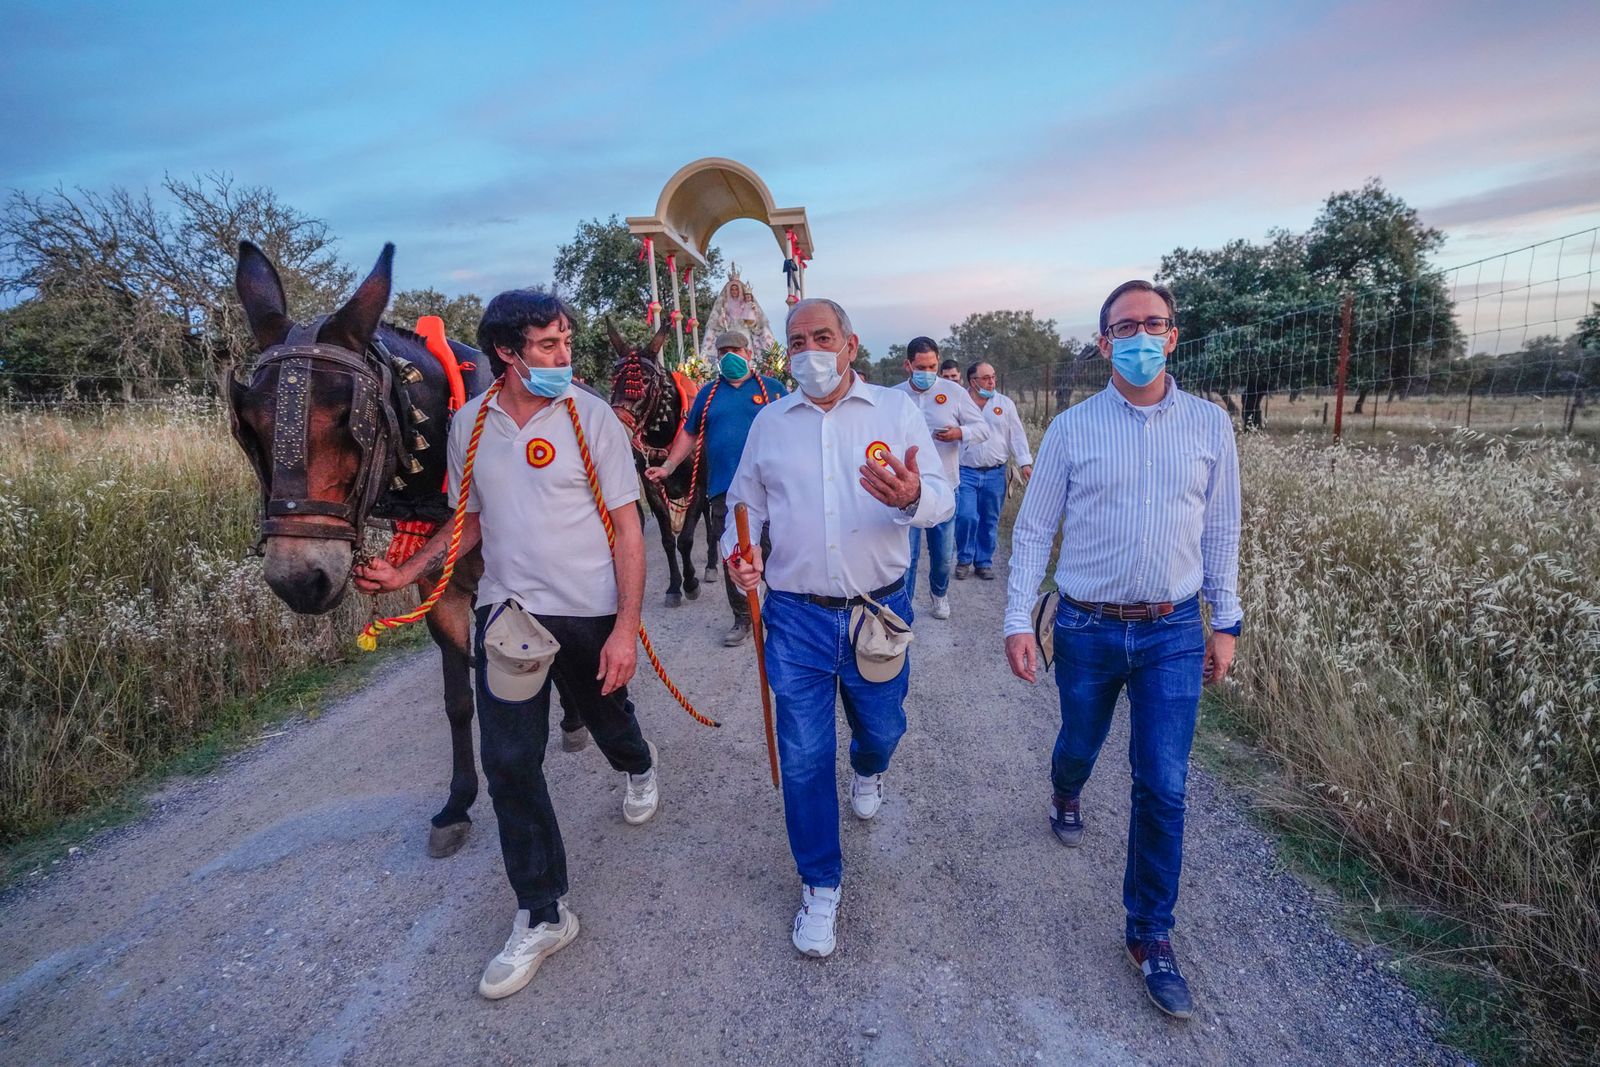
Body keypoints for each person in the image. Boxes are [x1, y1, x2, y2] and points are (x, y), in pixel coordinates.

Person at [354, 290, 661, 1001]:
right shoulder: (472, 422)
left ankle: (640, 765)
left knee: (613, 723)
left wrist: (624, 629)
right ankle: (543, 911)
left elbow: (626, 528)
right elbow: (472, 518)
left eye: (567, 342)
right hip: (509, 615)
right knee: (509, 762)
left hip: (588, 609)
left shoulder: (592, 420)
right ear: (506, 352)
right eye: (548, 346)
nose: (564, 357)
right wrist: (408, 568)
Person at [1003, 280, 1241, 1021]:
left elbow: (1221, 531)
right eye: (1124, 326)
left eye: (1154, 324)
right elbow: (1036, 528)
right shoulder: (1074, 429)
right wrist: (1018, 618)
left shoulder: (1209, 426)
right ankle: (1065, 786)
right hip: (1086, 625)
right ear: (1104, 342)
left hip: (1172, 629)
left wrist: (1225, 619)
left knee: (1163, 783)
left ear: (1173, 336)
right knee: (1079, 739)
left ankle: (1150, 934)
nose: (1140, 336)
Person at [723, 298, 953, 959]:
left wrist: (911, 496)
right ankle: (820, 881)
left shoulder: (895, 411)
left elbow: (939, 499)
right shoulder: (770, 423)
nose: (810, 351)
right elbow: (745, 504)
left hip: (878, 611)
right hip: (795, 614)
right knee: (801, 756)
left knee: (882, 727)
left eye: (822, 337)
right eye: (797, 341)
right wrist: (740, 554)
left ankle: (869, 767)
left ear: (850, 344)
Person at [644, 328, 788, 645]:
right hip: (727, 491)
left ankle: (780, 616)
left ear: (748, 354)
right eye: (723, 353)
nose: (729, 357)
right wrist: (667, 466)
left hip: (775, 489)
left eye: (735, 351)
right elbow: (688, 434)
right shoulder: (708, 394)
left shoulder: (773, 389)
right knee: (735, 556)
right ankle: (742, 619)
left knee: (777, 552)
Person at [892, 337, 988, 620]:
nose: (927, 372)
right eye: (921, 367)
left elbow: (981, 428)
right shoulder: (894, 397)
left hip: (945, 487)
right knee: (905, 557)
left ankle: (939, 593)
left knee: (942, 555)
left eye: (932, 366)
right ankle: (903, 609)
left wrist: (960, 433)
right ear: (907, 365)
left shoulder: (955, 392)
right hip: (906, 490)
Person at [955, 361, 1033, 581]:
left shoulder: (1004, 404)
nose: (991, 382)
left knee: (990, 518)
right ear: (973, 381)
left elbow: (1016, 435)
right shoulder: (960, 402)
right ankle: (964, 558)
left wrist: (1024, 463)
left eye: (993, 377)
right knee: (966, 516)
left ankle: (984, 561)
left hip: (995, 472)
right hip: (966, 471)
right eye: (986, 378)